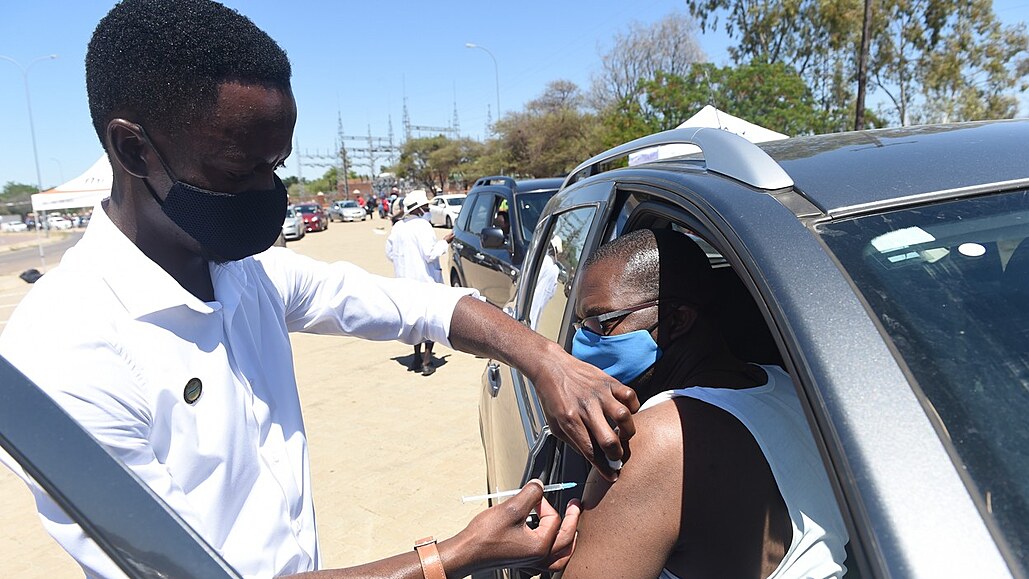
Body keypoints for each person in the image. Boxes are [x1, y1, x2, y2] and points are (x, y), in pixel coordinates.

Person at [0, 1, 639, 577]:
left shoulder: (244, 272)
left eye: (277, 167)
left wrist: (546, 359)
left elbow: (416, 306)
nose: (266, 194)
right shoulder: (65, 350)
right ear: (132, 149)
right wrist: (449, 558)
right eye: (239, 169)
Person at [559, 229, 848, 579]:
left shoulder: (655, 441)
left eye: (600, 323)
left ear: (677, 320)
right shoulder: (789, 384)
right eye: (579, 325)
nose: (581, 343)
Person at [385, 189, 452, 375]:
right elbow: (430, 254)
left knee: (413, 323)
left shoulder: (398, 227)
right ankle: (426, 361)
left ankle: (415, 357)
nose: (428, 208)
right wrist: (445, 242)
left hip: (405, 284)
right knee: (430, 322)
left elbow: (390, 254)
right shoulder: (423, 226)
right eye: (426, 206)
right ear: (420, 208)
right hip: (425, 283)